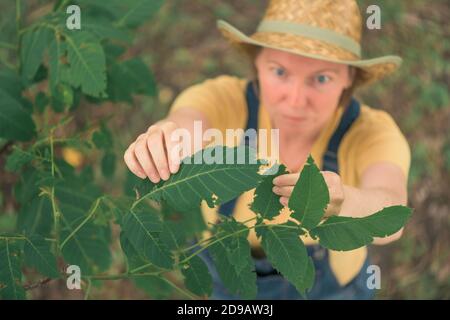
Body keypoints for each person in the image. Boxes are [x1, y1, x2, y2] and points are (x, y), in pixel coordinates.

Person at [123, 0, 411, 299]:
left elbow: (391, 215)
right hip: (229, 280)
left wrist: (344, 202)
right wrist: (169, 139)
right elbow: (187, 121)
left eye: (321, 78)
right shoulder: (225, 100)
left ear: (349, 78)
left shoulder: (370, 132)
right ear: (257, 63)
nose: (296, 100)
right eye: (279, 72)